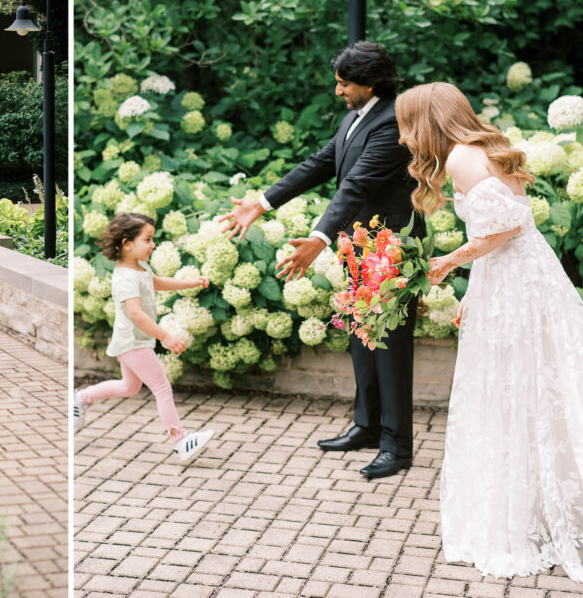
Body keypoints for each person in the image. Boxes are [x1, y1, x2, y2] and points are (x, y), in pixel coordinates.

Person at [396, 81, 583, 580]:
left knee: (511, 394)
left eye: (406, 124)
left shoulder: (460, 156)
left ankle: (525, 520)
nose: (402, 137)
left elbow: (502, 230)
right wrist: (473, 293)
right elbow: (505, 233)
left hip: (517, 287)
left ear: (427, 121)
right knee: (533, 392)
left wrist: (447, 261)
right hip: (518, 279)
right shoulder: (480, 148)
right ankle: (538, 507)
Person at [218, 41, 422, 479]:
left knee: (389, 348)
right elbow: (322, 163)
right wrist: (261, 202)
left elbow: (358, 186)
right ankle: (367, 427)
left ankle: (397, 446)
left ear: (368, 84)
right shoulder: (355, 117)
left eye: (344, 84)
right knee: (363, 340)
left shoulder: (393, 124)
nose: (338, 92)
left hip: (389, 250)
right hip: (361, 248)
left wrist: (318, 238)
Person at [72, 213, 216, 462]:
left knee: (130, 387)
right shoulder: (126, 278)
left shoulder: (139, 268)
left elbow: (156, 282)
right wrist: (166, 336)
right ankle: (180, 440)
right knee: (161, 388)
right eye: (147, 239)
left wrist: (190, 283)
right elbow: (136, 314)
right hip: (134, 343)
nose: (153, 244)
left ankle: (80, 399)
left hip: (130, 341)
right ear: (127, 244)